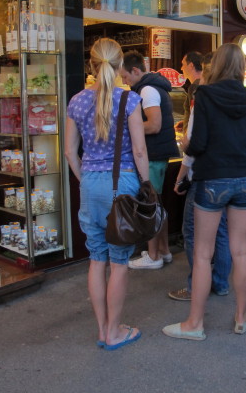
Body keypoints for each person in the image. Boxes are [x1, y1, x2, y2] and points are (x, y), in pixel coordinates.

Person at [163, 43, 246, 340]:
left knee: (203, 252)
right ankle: (241, 316)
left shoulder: (205, 95)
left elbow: (199, 142)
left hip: (212, 180)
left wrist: (185, 146)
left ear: (216, 65)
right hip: (244, 179)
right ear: (242, 67)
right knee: (241, 251)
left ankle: (195, 324)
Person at [65, 38, 149, 350]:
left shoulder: (76, 101)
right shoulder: (129, 100)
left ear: (92, 63)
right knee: (120, 261)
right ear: (119, 66)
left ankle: (103, 329)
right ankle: (115, 331)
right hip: (122, 184)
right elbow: (139, 150)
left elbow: (70, 153)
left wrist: (85, 178)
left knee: (97, 259)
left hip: (89, 185)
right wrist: (146, 185)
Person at [168, 52, 232, 301]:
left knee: (193, 232)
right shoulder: (234, 98)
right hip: (227, 174)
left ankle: (197, 287)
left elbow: (191, 146)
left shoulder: (202, 99)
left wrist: (181, 177)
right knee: (223, 231)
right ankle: (221, 283)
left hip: (203, 176)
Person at [121, 51, 180, 270]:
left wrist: (126, 129)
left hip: (153, 155)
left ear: (135, 71)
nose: (125, 83)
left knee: (150, 205)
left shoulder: (146, 90)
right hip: (158, 154)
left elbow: (154, 124)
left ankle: (153, 256)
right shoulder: (152, 87)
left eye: (126, 78)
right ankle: (163, 251)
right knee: (158, 205)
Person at [176, 51, 203, 133]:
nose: (181, 68)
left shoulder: (194, 87)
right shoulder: (204, 83)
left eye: (183, 64)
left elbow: (196, 115)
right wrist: (185, 122)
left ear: (191, 65)